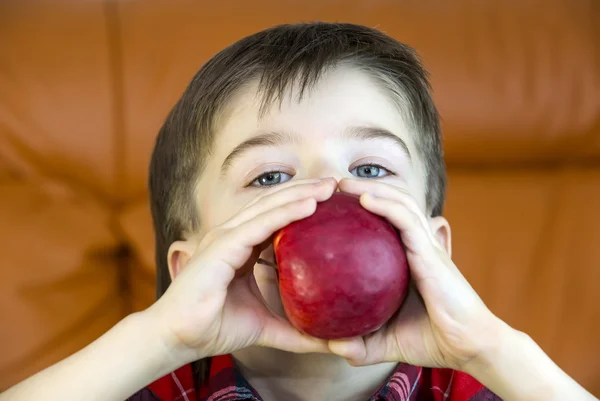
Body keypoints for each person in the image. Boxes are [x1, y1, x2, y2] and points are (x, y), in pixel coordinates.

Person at [1, 22, 597, 401]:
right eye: (271, 177)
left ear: (434, 249)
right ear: (191, 267)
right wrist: (160, 336)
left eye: (370, 170)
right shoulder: (158, 386)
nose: (324, 196)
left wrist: (489, 346)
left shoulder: (481, 384)